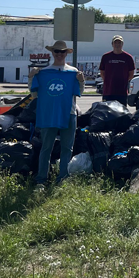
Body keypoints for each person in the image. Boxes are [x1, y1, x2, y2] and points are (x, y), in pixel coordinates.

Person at [29, 40, 84, 188]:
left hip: (69, 113)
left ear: (66, 53)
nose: (59, 54)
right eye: (57, 51)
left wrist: (81, 81)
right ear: (52, 53)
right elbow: (34, 95)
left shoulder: (73, 72)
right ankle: (41, 180)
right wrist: (31, 77)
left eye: (62, 52)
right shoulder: (43, 72)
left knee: (67, 148)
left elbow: (79, 92)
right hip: (49, 114)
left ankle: (62, 179)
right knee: (46, 147)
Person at [99, 35, 135, 106]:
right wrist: (108, 81)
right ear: (112, 44)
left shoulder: (128, 57)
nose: (117, 45)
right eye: (115, 43)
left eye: (119, 43)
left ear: (122, 44)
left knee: (121, 111)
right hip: (108, 92)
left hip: (121, 92)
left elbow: (131, 73)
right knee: (107, 111)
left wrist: (123, 81)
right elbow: (102, 72)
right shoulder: (106, 57)